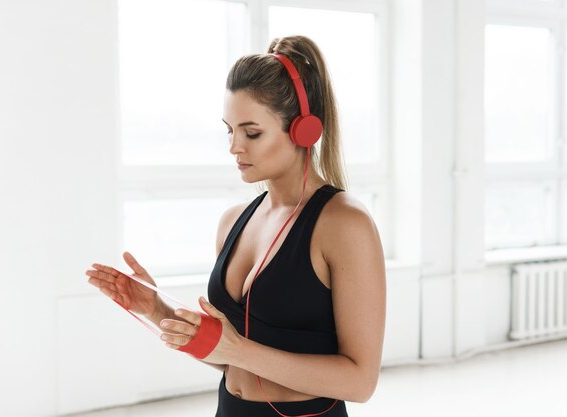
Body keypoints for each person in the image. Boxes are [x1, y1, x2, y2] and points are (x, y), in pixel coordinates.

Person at [86, 35, 386, 417]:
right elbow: (230, 360)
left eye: (252, 132)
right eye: (229, 130)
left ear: (303, 130)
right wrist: (155, 308)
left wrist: (238, 349)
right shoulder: (233, 222)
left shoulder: (344, 224)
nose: (234, 147)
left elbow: (360, 383)